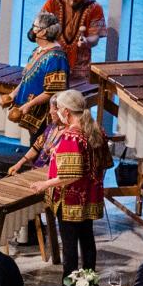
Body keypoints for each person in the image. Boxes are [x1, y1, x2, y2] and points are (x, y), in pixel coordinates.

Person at [46, 88, 109, 274]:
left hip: (71, 201)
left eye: (58, 109)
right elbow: (104, 163)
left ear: (66, 112)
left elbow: (69, 176)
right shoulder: (97, 130)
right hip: (89, 196)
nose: (56, 112)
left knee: (70, 246)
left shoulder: (71, 136)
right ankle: (88, 283)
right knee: (87, 239)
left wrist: (44, 184)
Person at [5, 8, 71, 141]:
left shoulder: (56, 58)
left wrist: (29, 105)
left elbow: (52, 91)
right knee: (33, 144)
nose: (32, 30)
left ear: (44, 31)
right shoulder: (38, 50)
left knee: (41, 149)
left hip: (45, 116)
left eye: (34, 27)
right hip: (32, 110)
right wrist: (13, 94)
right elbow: (26, 78)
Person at [43, 0, 107, 79]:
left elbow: (95, 38)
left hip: (80, 69)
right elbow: (39, 29)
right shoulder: (52, 2)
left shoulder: (95, 8)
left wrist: (86, 41)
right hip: (52, 63)